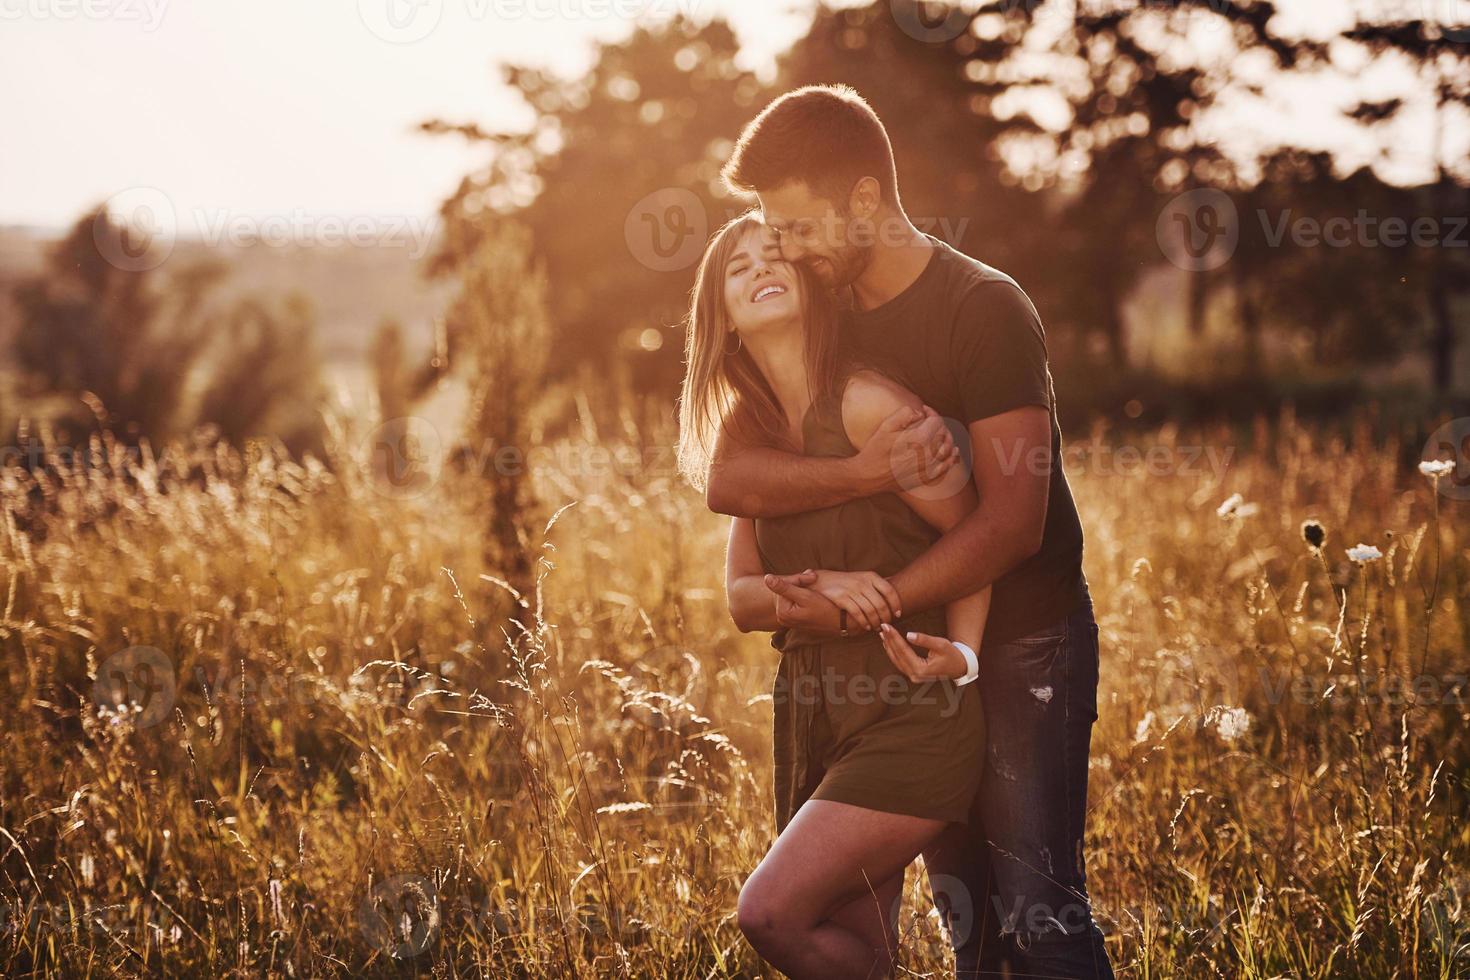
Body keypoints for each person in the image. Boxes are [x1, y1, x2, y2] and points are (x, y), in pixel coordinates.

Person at [708, 84, 1114, 979]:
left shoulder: (983, 308)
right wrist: (857, 479)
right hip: (915, 652)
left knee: (1039, 913)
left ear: (863, 199)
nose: (790, 251)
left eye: (802, 228)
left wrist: (869, 604)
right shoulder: (828, 315)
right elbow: (735, 474)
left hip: (1026, 641)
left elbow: (1013, 524)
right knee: (968, 921)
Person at [677, 210, 992, 978]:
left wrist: (963, 652)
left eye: (774, 253)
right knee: (860, 949)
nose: (759, 267)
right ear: (719, 315)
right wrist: (819, 591)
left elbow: (975, 535)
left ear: (811, 288)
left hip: (906, 712)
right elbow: (742, 601)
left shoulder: (867, 404)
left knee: (770, 912)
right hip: (812, 711)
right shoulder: (749, 438)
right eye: (737, 265)